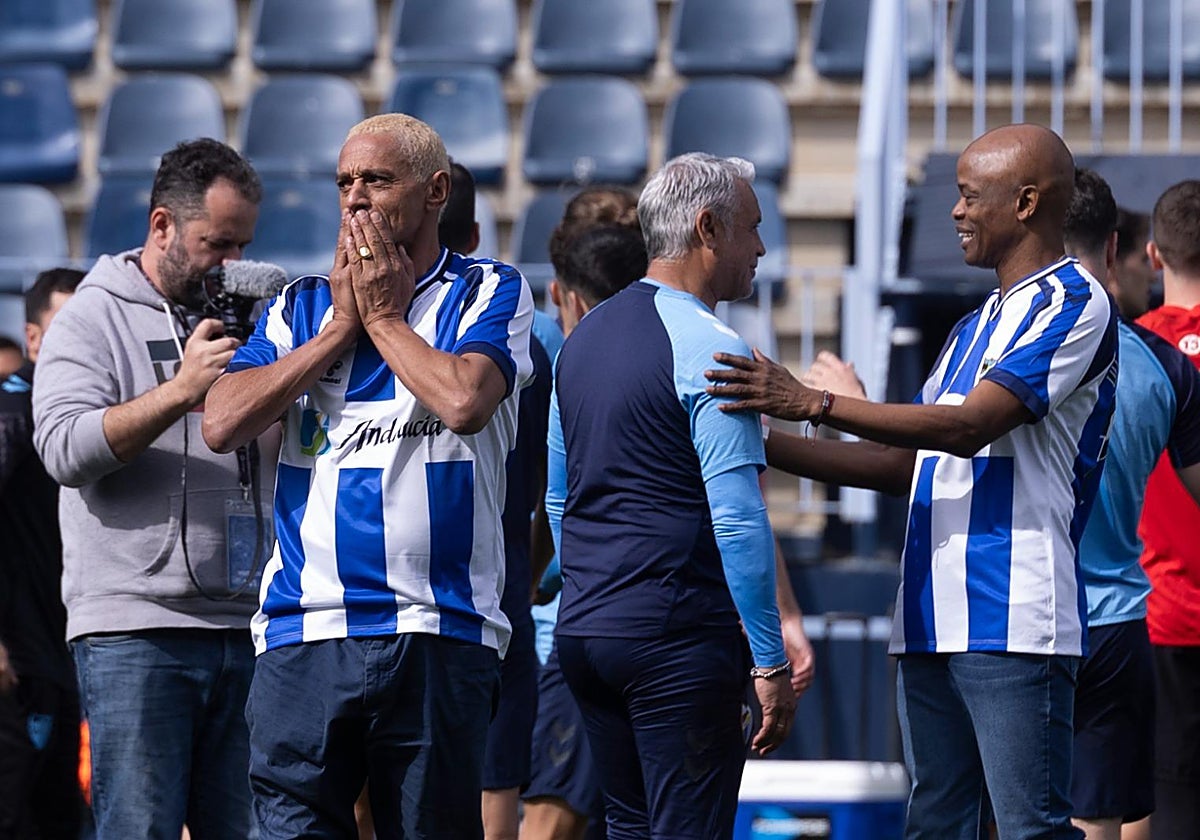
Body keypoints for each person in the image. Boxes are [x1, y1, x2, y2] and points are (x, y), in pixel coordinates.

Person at [707, 124, 1117, 838]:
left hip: (1015, 616)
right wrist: (758, 444)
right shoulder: (970, 327)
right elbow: (907, 467)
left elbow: (966, 429)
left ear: (1024, 204)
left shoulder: (1073, 303)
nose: (955, 211)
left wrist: (817, 403)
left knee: (1031, 828)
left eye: (967, 196)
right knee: (935, 824)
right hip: (929, 617)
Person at [202, 113, 534, 839]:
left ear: (435, 191)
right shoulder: (301, 307)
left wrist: (381, 320)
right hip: (304, 628)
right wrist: (335, 333)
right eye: (345, 182)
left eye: (377, 180)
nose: (355, 198)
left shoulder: (489, 291)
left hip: (439, 627)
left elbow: (463, 401)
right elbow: (221, 421)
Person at [551, 152, 797, 839]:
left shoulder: (582, 337)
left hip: (588, 632)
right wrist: (770, 659)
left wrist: (590, 593)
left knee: (627, 828)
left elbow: (556, 497)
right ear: (707, 227)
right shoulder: (715, 348)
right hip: (674, 640)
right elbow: (740, 520)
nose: (761, 247)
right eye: (751, 227)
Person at [31, 138, 266, 840]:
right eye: (215, 244)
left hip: (245, 626)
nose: (230, 265)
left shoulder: (248, 318)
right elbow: (64, 449)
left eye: (242, 246)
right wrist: (182, 391)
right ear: (161, 225)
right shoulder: (91, 317)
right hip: (135, 631)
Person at [1061, 169, 1200, 840]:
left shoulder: (1133, 351)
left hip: (1140, 616)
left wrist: (827, 408)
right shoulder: (1153, 363)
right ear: (1118, 251)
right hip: (1128, 620)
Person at [440, 158, 552, 840]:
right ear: (476, 232)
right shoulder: (524, 349)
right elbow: (541, 494)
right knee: (492, 811)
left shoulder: (363, 337)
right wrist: (532, 575)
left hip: (373, 609)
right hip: (497, 601)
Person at [0, 267, 85, 839]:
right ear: (32, 340)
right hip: (20, 664)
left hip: (68, 649)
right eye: (68, 325)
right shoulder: (12, 410)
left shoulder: (88, 411)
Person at [1135, 179, 1200, 840]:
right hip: (1163, 618)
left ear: (1153, 254)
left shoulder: (1130, 353)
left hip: (1163, 616)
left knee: (1168, 801)